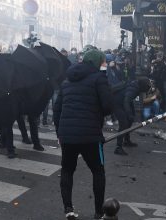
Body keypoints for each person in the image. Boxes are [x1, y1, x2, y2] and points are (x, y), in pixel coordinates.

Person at [53, 49, 113, 220]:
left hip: (67, 135)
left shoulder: (67, 82)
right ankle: (99, 212)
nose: (105, 65)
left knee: (67, 170)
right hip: (91, 136)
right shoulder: (99, 79)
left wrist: (59, 132)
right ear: (97, 63)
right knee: (98, 171)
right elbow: (108, 106)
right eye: (103, 62)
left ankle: (68, 209)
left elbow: (57, 110)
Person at [113, 77, 152, 155]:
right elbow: (126, 101)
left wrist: (131, 114)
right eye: (147, 87)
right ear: (143, 86)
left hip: (123, 101)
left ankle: (126, 140)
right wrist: (129, 114)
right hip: (116, 103)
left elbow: (128, 100)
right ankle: (118, 147)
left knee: (130, 120)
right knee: (123, 123)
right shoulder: (133, 89)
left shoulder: (136, 86)